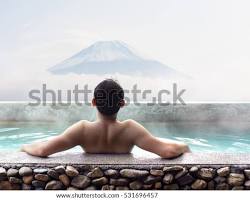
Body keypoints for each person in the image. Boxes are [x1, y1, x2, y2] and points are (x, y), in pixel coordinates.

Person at [21, 79, 190, 158]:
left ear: (93, 102)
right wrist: (184, 146)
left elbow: (43, 150)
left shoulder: (82, 129)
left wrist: (24, 147)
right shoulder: (131, 129)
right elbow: (167, 151)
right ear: (122, 103)